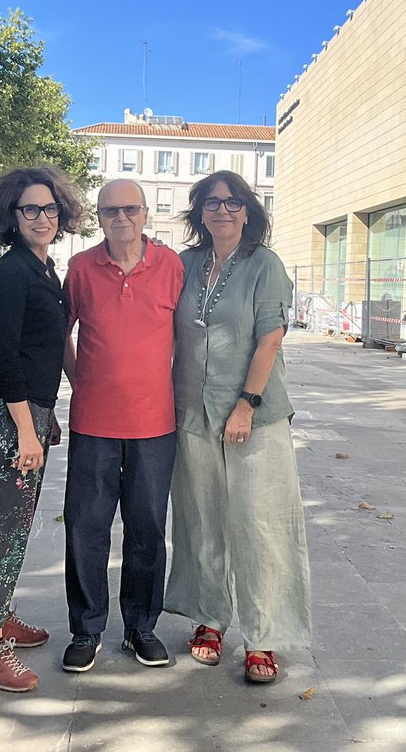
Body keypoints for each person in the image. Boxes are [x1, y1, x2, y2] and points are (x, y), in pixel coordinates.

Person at [164, 170, 311, 685]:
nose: (221, 210)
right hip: (192, 413)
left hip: (255, 414)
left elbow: (270, 336)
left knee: (258, 525)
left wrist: (247, 403)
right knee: (201, 520)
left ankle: (262, 635)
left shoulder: (264, 264)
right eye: (211, 202)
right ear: (199, 212)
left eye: (232, 202)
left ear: (248, 211)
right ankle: (210, 617)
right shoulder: (183, 265)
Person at [0, 165, 84, 693]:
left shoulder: (44, 269)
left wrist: (52, 406)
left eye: (50, 208)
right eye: (31, 209)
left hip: (28, 412)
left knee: (15, 526)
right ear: (11, 217)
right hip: (6, 416)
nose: (42, 217)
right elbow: (7, 356)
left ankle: (1, 614)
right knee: (1, 526)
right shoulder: (13, 273)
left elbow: (47, 348)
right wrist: (27, 430)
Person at [60, 179, 184, 673]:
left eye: (130, 209)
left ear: (146, 213)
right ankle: (86, 628)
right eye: (110, 210)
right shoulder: (80, 268)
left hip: (156, 423)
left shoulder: (172, 266)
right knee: (86, 528)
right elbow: (58, 333)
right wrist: (80, 379)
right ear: (99, 217)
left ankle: (141, 626)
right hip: (94, 423)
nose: (121, 218)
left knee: (147, 529)